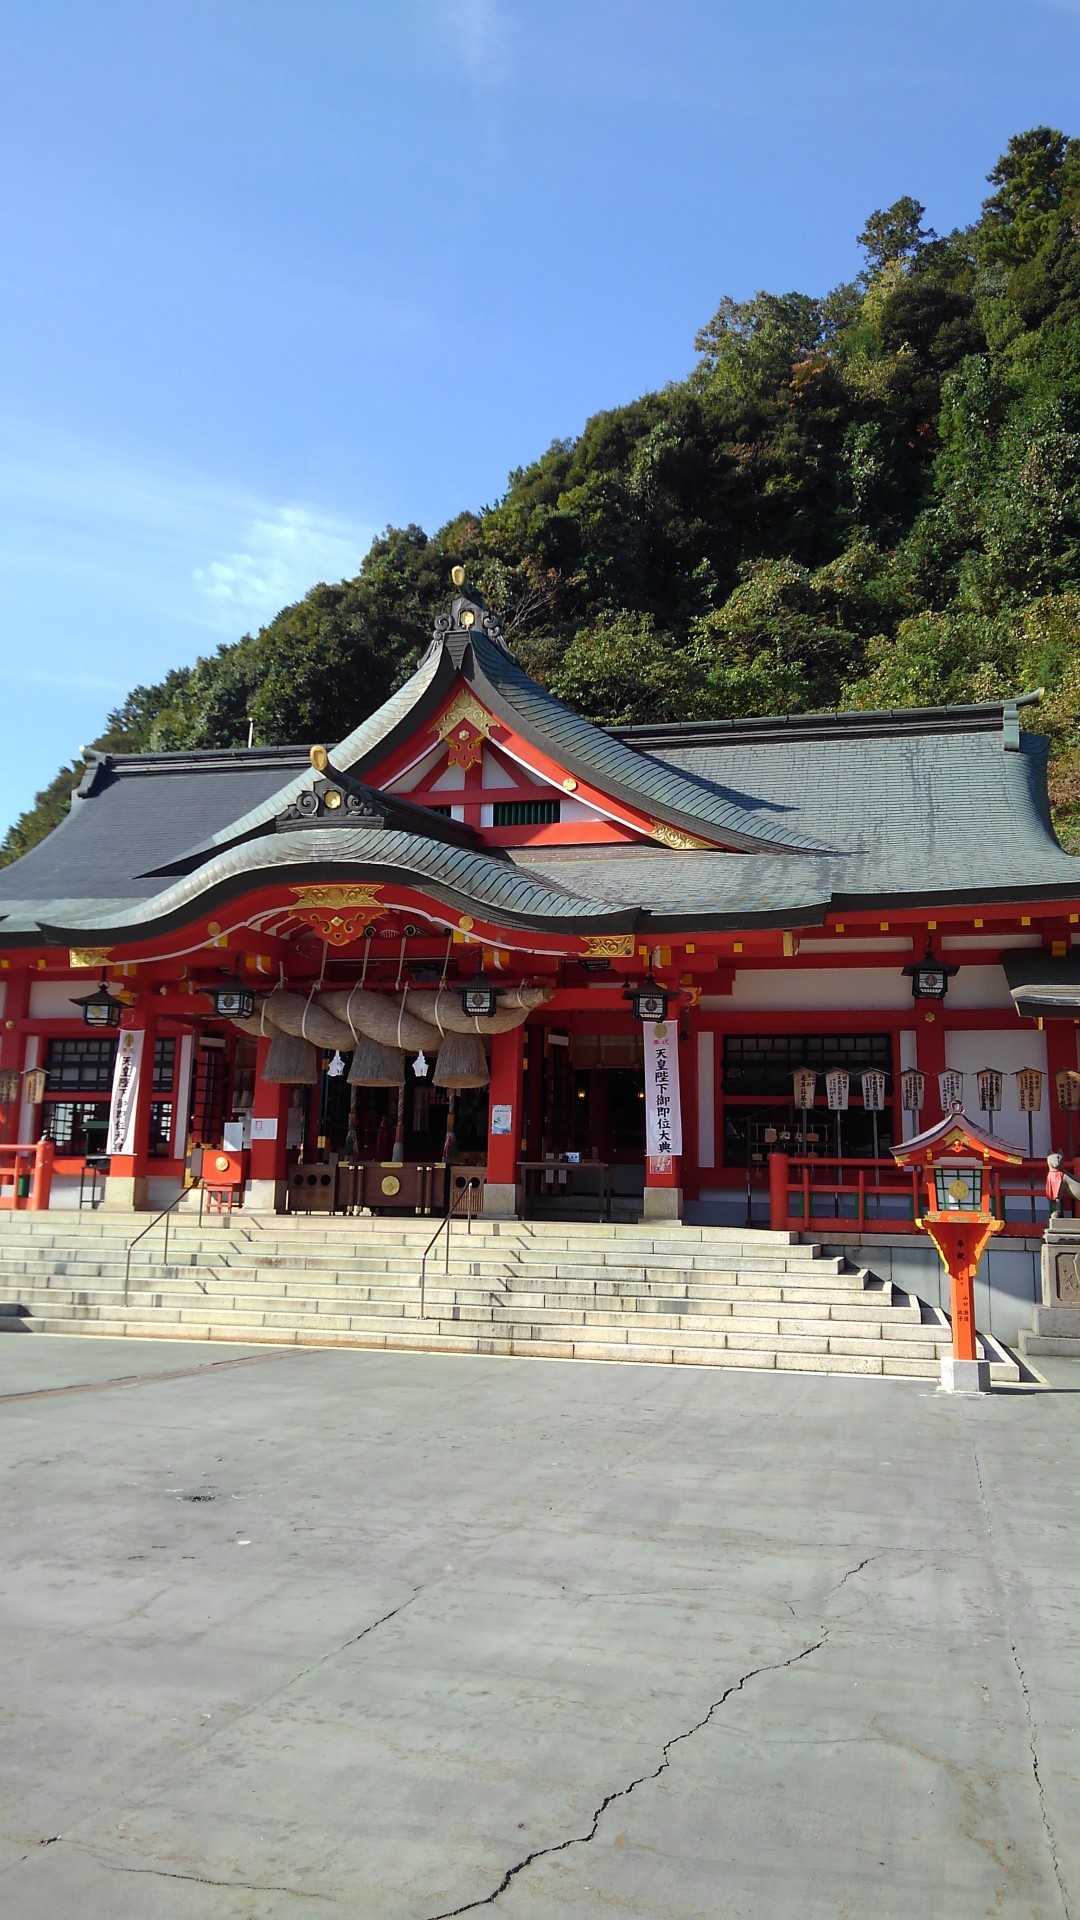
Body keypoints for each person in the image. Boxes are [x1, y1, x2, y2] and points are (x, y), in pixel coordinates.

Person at [1045, 1152, 1080, 1220]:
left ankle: (1057, 1211)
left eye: (1058, 1158)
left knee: (1057, 1196)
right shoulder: (1058, 1174)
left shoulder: (1061, 1175)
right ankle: (1056, 1212)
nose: (1057, 1161)